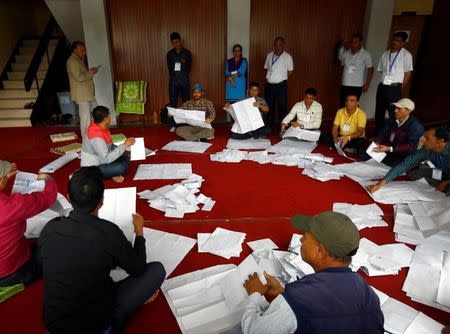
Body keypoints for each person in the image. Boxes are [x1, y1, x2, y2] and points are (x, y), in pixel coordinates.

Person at [39, 167, 166, 334]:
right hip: (97, 326)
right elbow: (138, 268)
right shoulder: (109, 231)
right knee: (156, 270)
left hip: (53, 325)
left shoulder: (50, 228)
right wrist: (139, 232)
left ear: (69, 198)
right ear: (102, 201)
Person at [241, 212, 384, 334]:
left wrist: (254, 294)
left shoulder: (300, 297)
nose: (301, 239)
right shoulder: (370, 295)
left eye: (305, 237)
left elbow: (253, 331)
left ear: (319, 251)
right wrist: (282, 294)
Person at [0, 161, 57, 287]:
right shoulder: (13, 206)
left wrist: (3, 178)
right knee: (54, 250)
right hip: (10, 273)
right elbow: (48, 197)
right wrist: (47, 179)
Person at [368, 126, 450, 194]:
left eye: (427, 138)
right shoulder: (426, 149)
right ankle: (441, 184)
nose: (423, 141)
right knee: (414, 174)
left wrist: (446, 182)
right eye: (424, 137)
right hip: (442, 172)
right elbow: (406, 164)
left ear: (440, 141)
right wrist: (381, 183)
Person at [80, 106, 135, 183]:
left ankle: (112, 173)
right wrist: (124, 145)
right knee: (121, 167)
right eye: (109, 115)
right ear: (106, 119)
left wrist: (124, 151)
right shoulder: (96, 135)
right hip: (93, 166)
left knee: (127, 156)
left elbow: (110, 146)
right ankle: (83, 174)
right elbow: (107, 159)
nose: (110, 117)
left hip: (102, 160)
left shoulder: (101, 127)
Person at [365, 98, 424, 166]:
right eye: (396, 108)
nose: (395, 110)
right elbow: (383, 132)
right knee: (366, 153)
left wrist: (390, 148)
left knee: (392, 165)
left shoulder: (416, 126)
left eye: (399, 108)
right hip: (389, 149)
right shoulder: (393, 119)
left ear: (408, 111)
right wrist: (377, 142)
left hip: (403, 155)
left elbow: (411, 146)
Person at [375, 31, 413, 135]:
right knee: (379, 112)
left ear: (403, 43)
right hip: (382, 87)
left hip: (395, 88)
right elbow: (382, 70)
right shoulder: (385, 54)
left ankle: (391, 136)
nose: (394, 42)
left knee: (394, 113)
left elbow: (408, 74)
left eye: (398, 41)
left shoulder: (406, 55)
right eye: (394, 40)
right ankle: (379, 134)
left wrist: (399, 88)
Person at [67, 41, 98, 140]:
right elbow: (79, 77)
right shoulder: (72, 61)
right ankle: (86, 140)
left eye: (84, 50)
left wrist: (90, 72)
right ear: (75, 50)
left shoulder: (79, 60)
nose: (84, 52)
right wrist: (91, 72)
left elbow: (83, 75)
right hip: (81, 95)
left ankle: (93, 135)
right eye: (81, 50)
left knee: (95, 114)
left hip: (87, 94)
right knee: (85, 118)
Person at [264, 37, 294, 127]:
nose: (278, 46)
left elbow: (290, 71)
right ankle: (268, 126)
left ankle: (283, 128)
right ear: (274, 45)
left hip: (281, 86)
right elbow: (267, 68)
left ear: (283, 45)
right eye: (276, 44)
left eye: (280, 44)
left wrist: (281, 78)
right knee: (269, 106)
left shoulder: (288, 57)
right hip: (269, 85)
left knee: (282, 107)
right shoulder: (269, 55)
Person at [340, 33, 373, 107]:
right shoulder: (345, 53)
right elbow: (342, 67)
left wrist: (367, 84)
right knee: (342, 104)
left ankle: (354, 119)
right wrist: (341, 80)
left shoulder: (366, 54)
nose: (353, 44)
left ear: (361, 43)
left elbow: (370, 70)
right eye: (352, 42)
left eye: (355, 42)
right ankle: (343, 119)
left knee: (353, 106)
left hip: (356, 86)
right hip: (345, 84)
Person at [167, 32, 192, 108]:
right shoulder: (169, 54)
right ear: (171, 43)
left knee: (186, 102)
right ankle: (173, 119)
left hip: (184, 81)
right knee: (173, 102)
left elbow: (189, 67)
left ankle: (186, 120)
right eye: (173, 43)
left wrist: (182, 75)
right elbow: (169, 68)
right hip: (173, 82)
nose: (176, 44)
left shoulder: (187, 53)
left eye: (177, 42)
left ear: (180, 41)